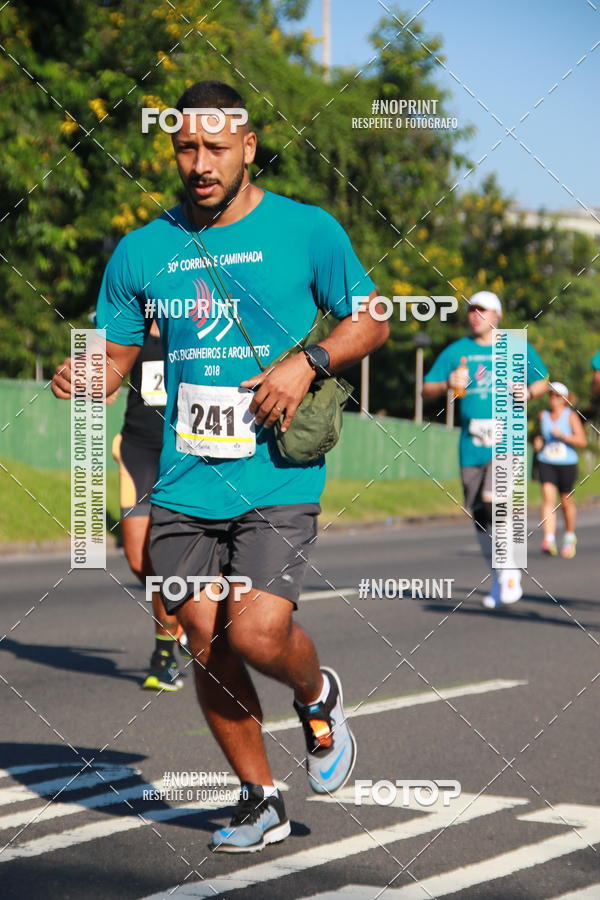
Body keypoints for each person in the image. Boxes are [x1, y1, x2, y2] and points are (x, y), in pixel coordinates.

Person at [52, 80, 388, 853]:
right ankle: (259, 796)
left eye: (214, 148)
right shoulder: (143, 249)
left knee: (259, 630)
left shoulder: (307, 231)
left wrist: (308, 361)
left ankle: (317, 693)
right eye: (184, 148)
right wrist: (81, 376)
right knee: (204, 636)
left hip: (275, 469)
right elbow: (115, 362)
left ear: (248, 147)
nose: (198, 163)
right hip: (184, 476)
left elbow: (372, 319)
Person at [423, 291, 548, 609]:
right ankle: (499, 575)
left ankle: (510, 573)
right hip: (472, 443)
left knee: (498, 501)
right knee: (479, 515)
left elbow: (543, 380)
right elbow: (427, 389)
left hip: (508, 438)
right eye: (471, 310)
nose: (475, 315)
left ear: (497, 315)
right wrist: (449, 382)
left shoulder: (515, 346)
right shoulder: (457, 351)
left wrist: (528, 392)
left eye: (482, 310)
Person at [112, 319, 188, 691]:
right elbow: (106, 375)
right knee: (139, 560)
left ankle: (163, 657)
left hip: (183, 455)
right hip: (137, 449)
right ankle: (185, 614)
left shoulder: (194, 325)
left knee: (162, 561)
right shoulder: (128, 327)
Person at [533, 382, 586, 558]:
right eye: (551, 395)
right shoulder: (543, 415)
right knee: (548, 497)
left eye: (557, 396)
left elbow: (582, 441)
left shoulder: (571, 416)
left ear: (564, 399)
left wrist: (563, 436)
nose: (553, 399)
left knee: (565, 501)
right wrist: (538, 442)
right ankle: (549, 538)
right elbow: (538, 436)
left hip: (567, 462)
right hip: (547, 460)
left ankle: (570, 536)